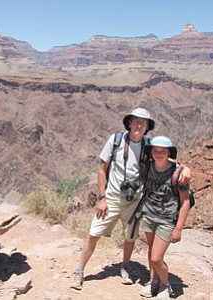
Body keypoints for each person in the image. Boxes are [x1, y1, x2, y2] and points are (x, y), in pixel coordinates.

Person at [70, 108, 191, 290]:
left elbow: (164, 158)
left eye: (143, 123)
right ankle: (79, 270)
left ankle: (125, 266)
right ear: (129, 123)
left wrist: (185, 168)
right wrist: (102, 197)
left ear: (147, 127)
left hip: (135, 200)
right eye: (136, 121)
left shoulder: (148, 146)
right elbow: (102, 169)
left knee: (130, 237)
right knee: (93, 234)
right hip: (111, 198)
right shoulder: (116, 140)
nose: (139, 125)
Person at [139, 136, 191, 299]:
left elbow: (185, 202)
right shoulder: (147, 167)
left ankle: (165, 285)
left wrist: (178, 228)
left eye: (163, 151)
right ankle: (153, 281)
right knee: (151, 253)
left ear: (169, 152)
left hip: (167, 220)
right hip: (149, 216)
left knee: (156, 257)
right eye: (155, 150)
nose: (158, 154)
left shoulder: (178, 173)